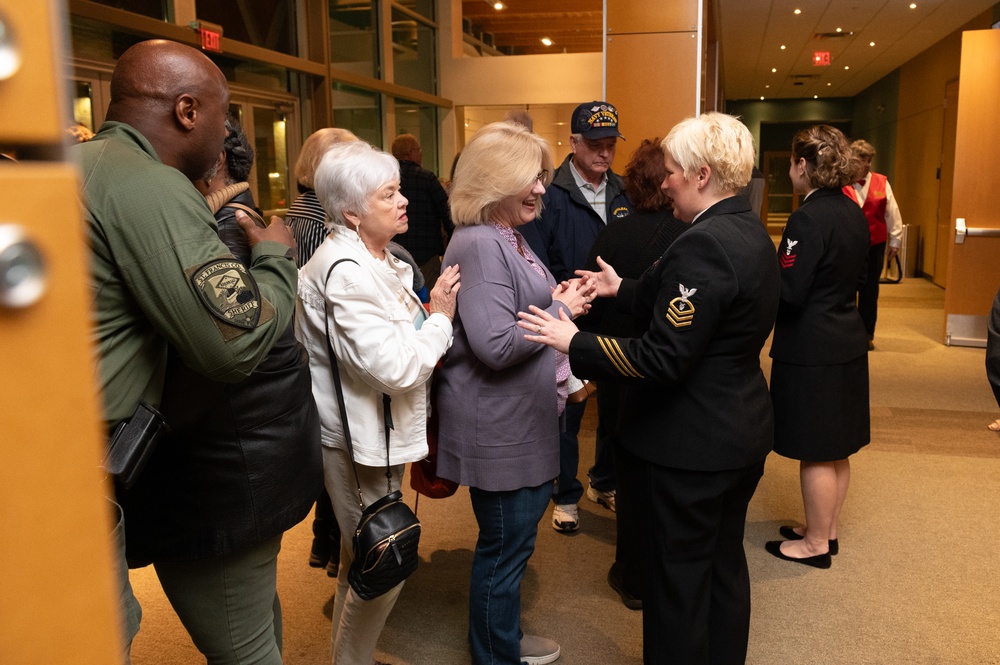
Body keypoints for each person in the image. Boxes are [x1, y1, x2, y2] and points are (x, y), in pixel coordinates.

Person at [518, 112, 779, 665]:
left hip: (693, 446)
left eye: (675, 172)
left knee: (677, 583)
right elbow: (703, 310)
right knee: (723, 567)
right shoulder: (747, 228)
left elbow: (662, 357)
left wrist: (573, 342)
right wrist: (622, 289)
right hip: (740, 431)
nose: (665, 182)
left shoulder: (703, 244)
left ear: (702, 175)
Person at [73, 39, 298, 663]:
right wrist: (276, 256)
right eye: (225, 116)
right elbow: (236, 344)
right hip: (78, 468)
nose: (228, 133)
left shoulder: (75, 165)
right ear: (188, 111)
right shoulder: (148, 186)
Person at [118, 119, 323, 663]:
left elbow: (225, 357)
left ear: (209, 157)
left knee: (243, 644)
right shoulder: (241, 221)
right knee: (254, 624)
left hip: (220, 481)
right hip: (248, 468)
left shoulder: (219, 232)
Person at [294, 140, 460, 665]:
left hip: (377, 435)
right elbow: (396, 368)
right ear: (351, 212)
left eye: (398, 189)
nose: (404, 200)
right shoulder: (345, 270)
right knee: (384, 564)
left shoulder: (382, 260)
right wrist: (442, 318)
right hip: (356, 442)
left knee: (360, 555)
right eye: (388, 194)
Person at [436, 121, 593, 665]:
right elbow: (497, 344)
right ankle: (493, 655)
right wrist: (563, 311)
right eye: (532, 178)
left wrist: (557, 296)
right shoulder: (480, 242)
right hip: (499, 430)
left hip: (519, 422)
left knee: (514, 548)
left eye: (544, 177)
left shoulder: (507, 233)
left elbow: (518, 309)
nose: (543, 189)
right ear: (494, 181)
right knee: (504, 552)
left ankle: (501, 638)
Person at [578, 138, 688, 610]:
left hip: (619, 364)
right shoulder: (691, 235)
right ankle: (665, 567)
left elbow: (586, 294)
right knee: (667, 477)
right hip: (674, 373)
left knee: (627, 467)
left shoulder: (615, 233)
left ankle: (631, 573)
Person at [521, 100, 632, 532]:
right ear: (573, 142)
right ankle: (564, 494)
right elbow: (534, 258)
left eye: (610, 145)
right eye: (594, 145)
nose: (604, 154)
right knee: (567, 410)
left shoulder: (623, 191)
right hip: (567, 316)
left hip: (616, 315)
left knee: (617, 409)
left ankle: (602, 480)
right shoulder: (552, 192)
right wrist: (564, 296)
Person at [764, 125, 872, 570]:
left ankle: (814, 545)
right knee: (836, 446)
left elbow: (790, 290)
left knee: (815, 449)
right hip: (846, 337)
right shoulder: (852, 211)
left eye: (792, 163)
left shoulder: (806, 218)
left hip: (812, 349)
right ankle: (825, 529)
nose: (791, 171)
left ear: (803, 166)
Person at [843, 139, 903, 349]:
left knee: (870, 291)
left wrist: (895, 240)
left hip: (875, 244)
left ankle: (867, 334)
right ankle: (845, 333)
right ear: (852, 159)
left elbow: (892, 212)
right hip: (848, 245)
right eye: (862, 159)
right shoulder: (841, 183)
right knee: (845, 288)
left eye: (869, 160)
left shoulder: (881, 182)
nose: (867, 164)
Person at [390, 133, 454, 287]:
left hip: (393, 254)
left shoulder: (388, 179)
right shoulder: (427, 178)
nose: (421, 155)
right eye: (419, 151)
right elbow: (447, 214)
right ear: (411, 152)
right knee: (427, 299)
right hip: (426, 255)